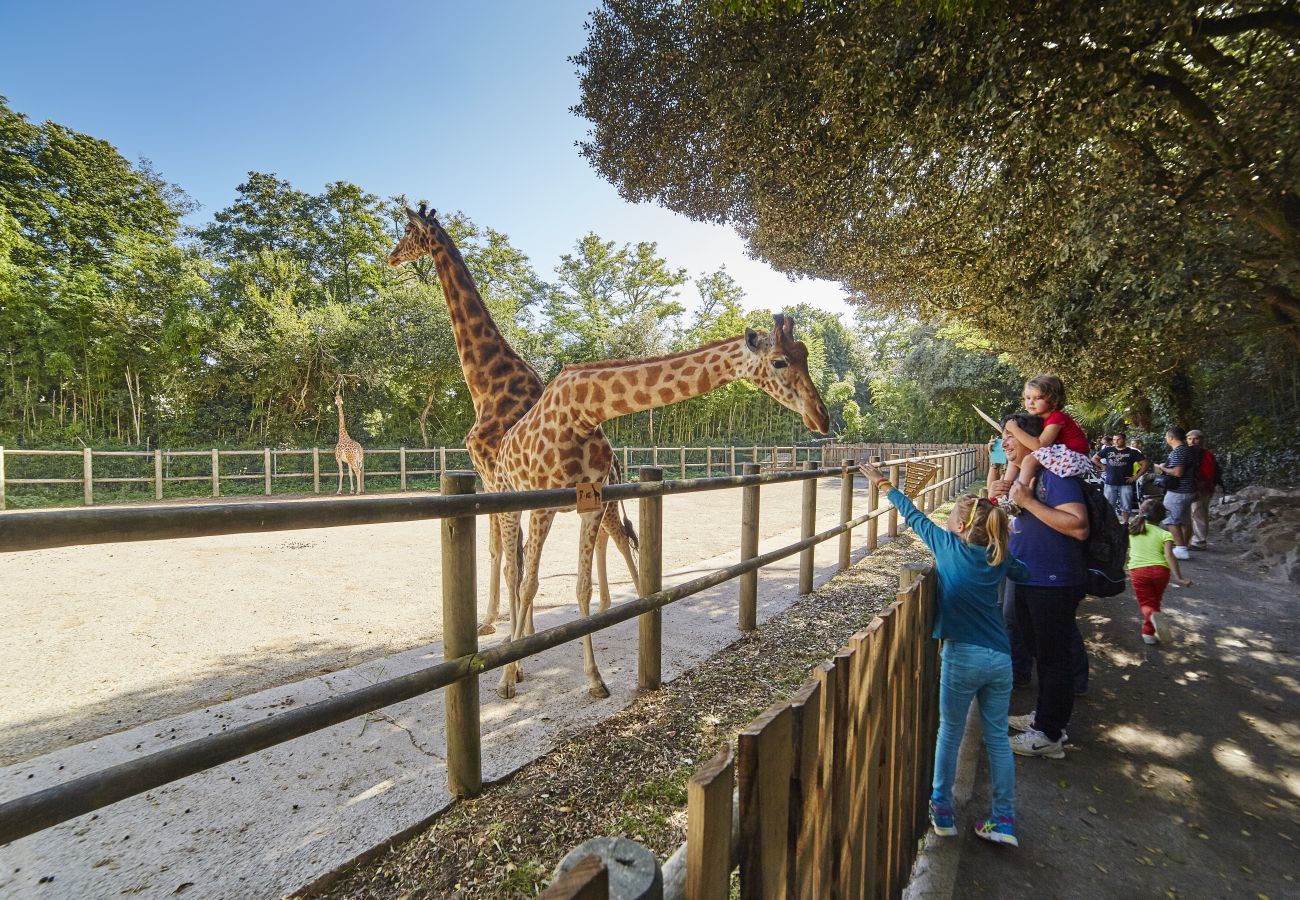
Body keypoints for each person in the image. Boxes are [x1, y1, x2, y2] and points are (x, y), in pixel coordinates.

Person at [861, 460, 1027, 847]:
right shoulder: (997, 556)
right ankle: (1003, 820)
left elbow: (913, 515)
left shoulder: (947, 546)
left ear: (961, 526)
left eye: (953, 516)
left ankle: (942, 809)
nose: (949, 520)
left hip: (962, 656)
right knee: (998, 739)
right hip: (999, 659)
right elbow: (1025, 574)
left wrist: (884, 483)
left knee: (949, 732)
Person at [999, 418, 1091, 759]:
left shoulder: (1056, 476)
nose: (1006, 443)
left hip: (1052, 581)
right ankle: (1045, 717)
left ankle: (1050, 736)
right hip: (1029, 577)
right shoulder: (1028, 475)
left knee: (1054, 659)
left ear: (1031, 439)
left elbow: (1078, 526)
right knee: (1043, 655)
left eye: (1010, 437)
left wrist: (1028, 501)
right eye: (1004, 438)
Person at [1003, 374, 1094, 497]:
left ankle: (1020, 495)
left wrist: (1015, 429)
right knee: (1017, 457)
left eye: (1038, 398)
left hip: (1076, 458)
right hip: (1064, 454)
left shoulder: (1056, 418)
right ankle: (1004, 490)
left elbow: (1039, 445)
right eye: (1028, 398)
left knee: (1029, 459)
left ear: (1053, 400)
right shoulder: (1040, 419)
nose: (1031, 402)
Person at [1126, 498, 1191, 645]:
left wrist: (1122, 567)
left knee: (1147, 604)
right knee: (1155, 601)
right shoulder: (1165, 534)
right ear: (1163, 516)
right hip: (1161, 572)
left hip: (1138, 571)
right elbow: (1169, 556)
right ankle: (1148, 634)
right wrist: (1179, 577)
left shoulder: (1133, 530)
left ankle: (1151, 618)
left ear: (1141, 512)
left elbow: (1125, 551)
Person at [1152, 427, 1197, 560]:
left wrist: (1162, 468)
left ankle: (1181, 548)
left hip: (1179, 490)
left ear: (1171, 437)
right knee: (1184, 519)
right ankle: (1184, 545)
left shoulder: (1179, 452)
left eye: (1166, 437)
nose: (1166, 439)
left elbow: (1177, 472)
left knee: (1170, 519)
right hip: (1188, 489)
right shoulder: (1187, 450)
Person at [1092, 432, 1147, 523]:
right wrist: (1102, 466)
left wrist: (1135, 477)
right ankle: (1111, 524)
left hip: (1126, 483)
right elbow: (1094, 458)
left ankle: (1125, 523)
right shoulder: (1108, 450)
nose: (1116, 441)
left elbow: (1145, 464)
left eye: (1118, 439)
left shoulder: (1132, 452)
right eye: (1114, 440)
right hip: (1110, 483)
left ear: (1124, 440)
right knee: (1109, 506)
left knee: (1126, 506)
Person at [1186, 430, 1224, 549]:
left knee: (1199, 514)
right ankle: (1190, 540)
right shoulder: (1189, 452)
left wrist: (1200, 485)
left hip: (1202, 489)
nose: (1192, 441)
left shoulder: (1206, 454)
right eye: (1189, 438)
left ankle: (1199, 542)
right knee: (1192, 514)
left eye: (1195, 439)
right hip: (1191, 488)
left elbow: (1208, 474)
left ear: (1201, 440)